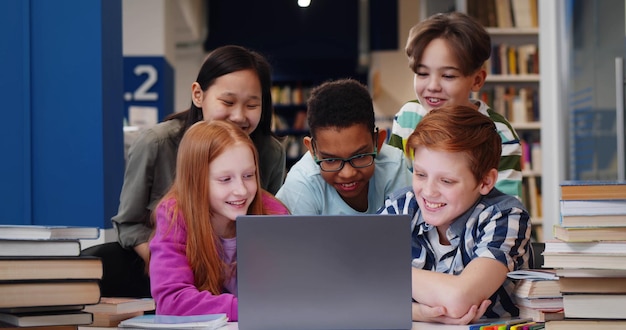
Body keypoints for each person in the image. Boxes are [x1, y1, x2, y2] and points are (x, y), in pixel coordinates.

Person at [81, 45, 285, 297]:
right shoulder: (156, 143)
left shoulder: (270, 152)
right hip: (166, 272)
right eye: (228, 102)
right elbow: (129, 223)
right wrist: (175, 266)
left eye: (252, 105)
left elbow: (267, 227)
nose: (238, 116)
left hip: (239, 284)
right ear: (198, 95)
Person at [379, 105, 531, 325]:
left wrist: (382, 272)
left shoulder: (505, 216)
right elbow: (350, 284)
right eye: (421, 174)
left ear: (485, 181)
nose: (428, 191)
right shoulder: (402, 205)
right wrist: (418, 312)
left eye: (447, 181)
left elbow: (459, 298)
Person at [149, 120, 290, 320]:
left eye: (249, 175)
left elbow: (292, 291)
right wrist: (249, 309)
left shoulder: (272, 212)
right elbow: (171, 301)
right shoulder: (175, 215)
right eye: (225, 179)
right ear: (195, 180)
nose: (241, 190)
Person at [387, 11, 522, 199]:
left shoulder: (500, 134)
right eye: (423, 73)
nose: (433, 86)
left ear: (476, 80)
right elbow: (394, 184)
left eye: (448, 76)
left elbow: (506, 209)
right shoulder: (408, 117)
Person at [275, 78, 412, 215]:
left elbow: (410, 231)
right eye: (330, 160)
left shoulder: (394, 166)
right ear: (312, 150)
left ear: (378, 142)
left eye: (360, 156)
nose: (348, 174)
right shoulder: (301, 184)